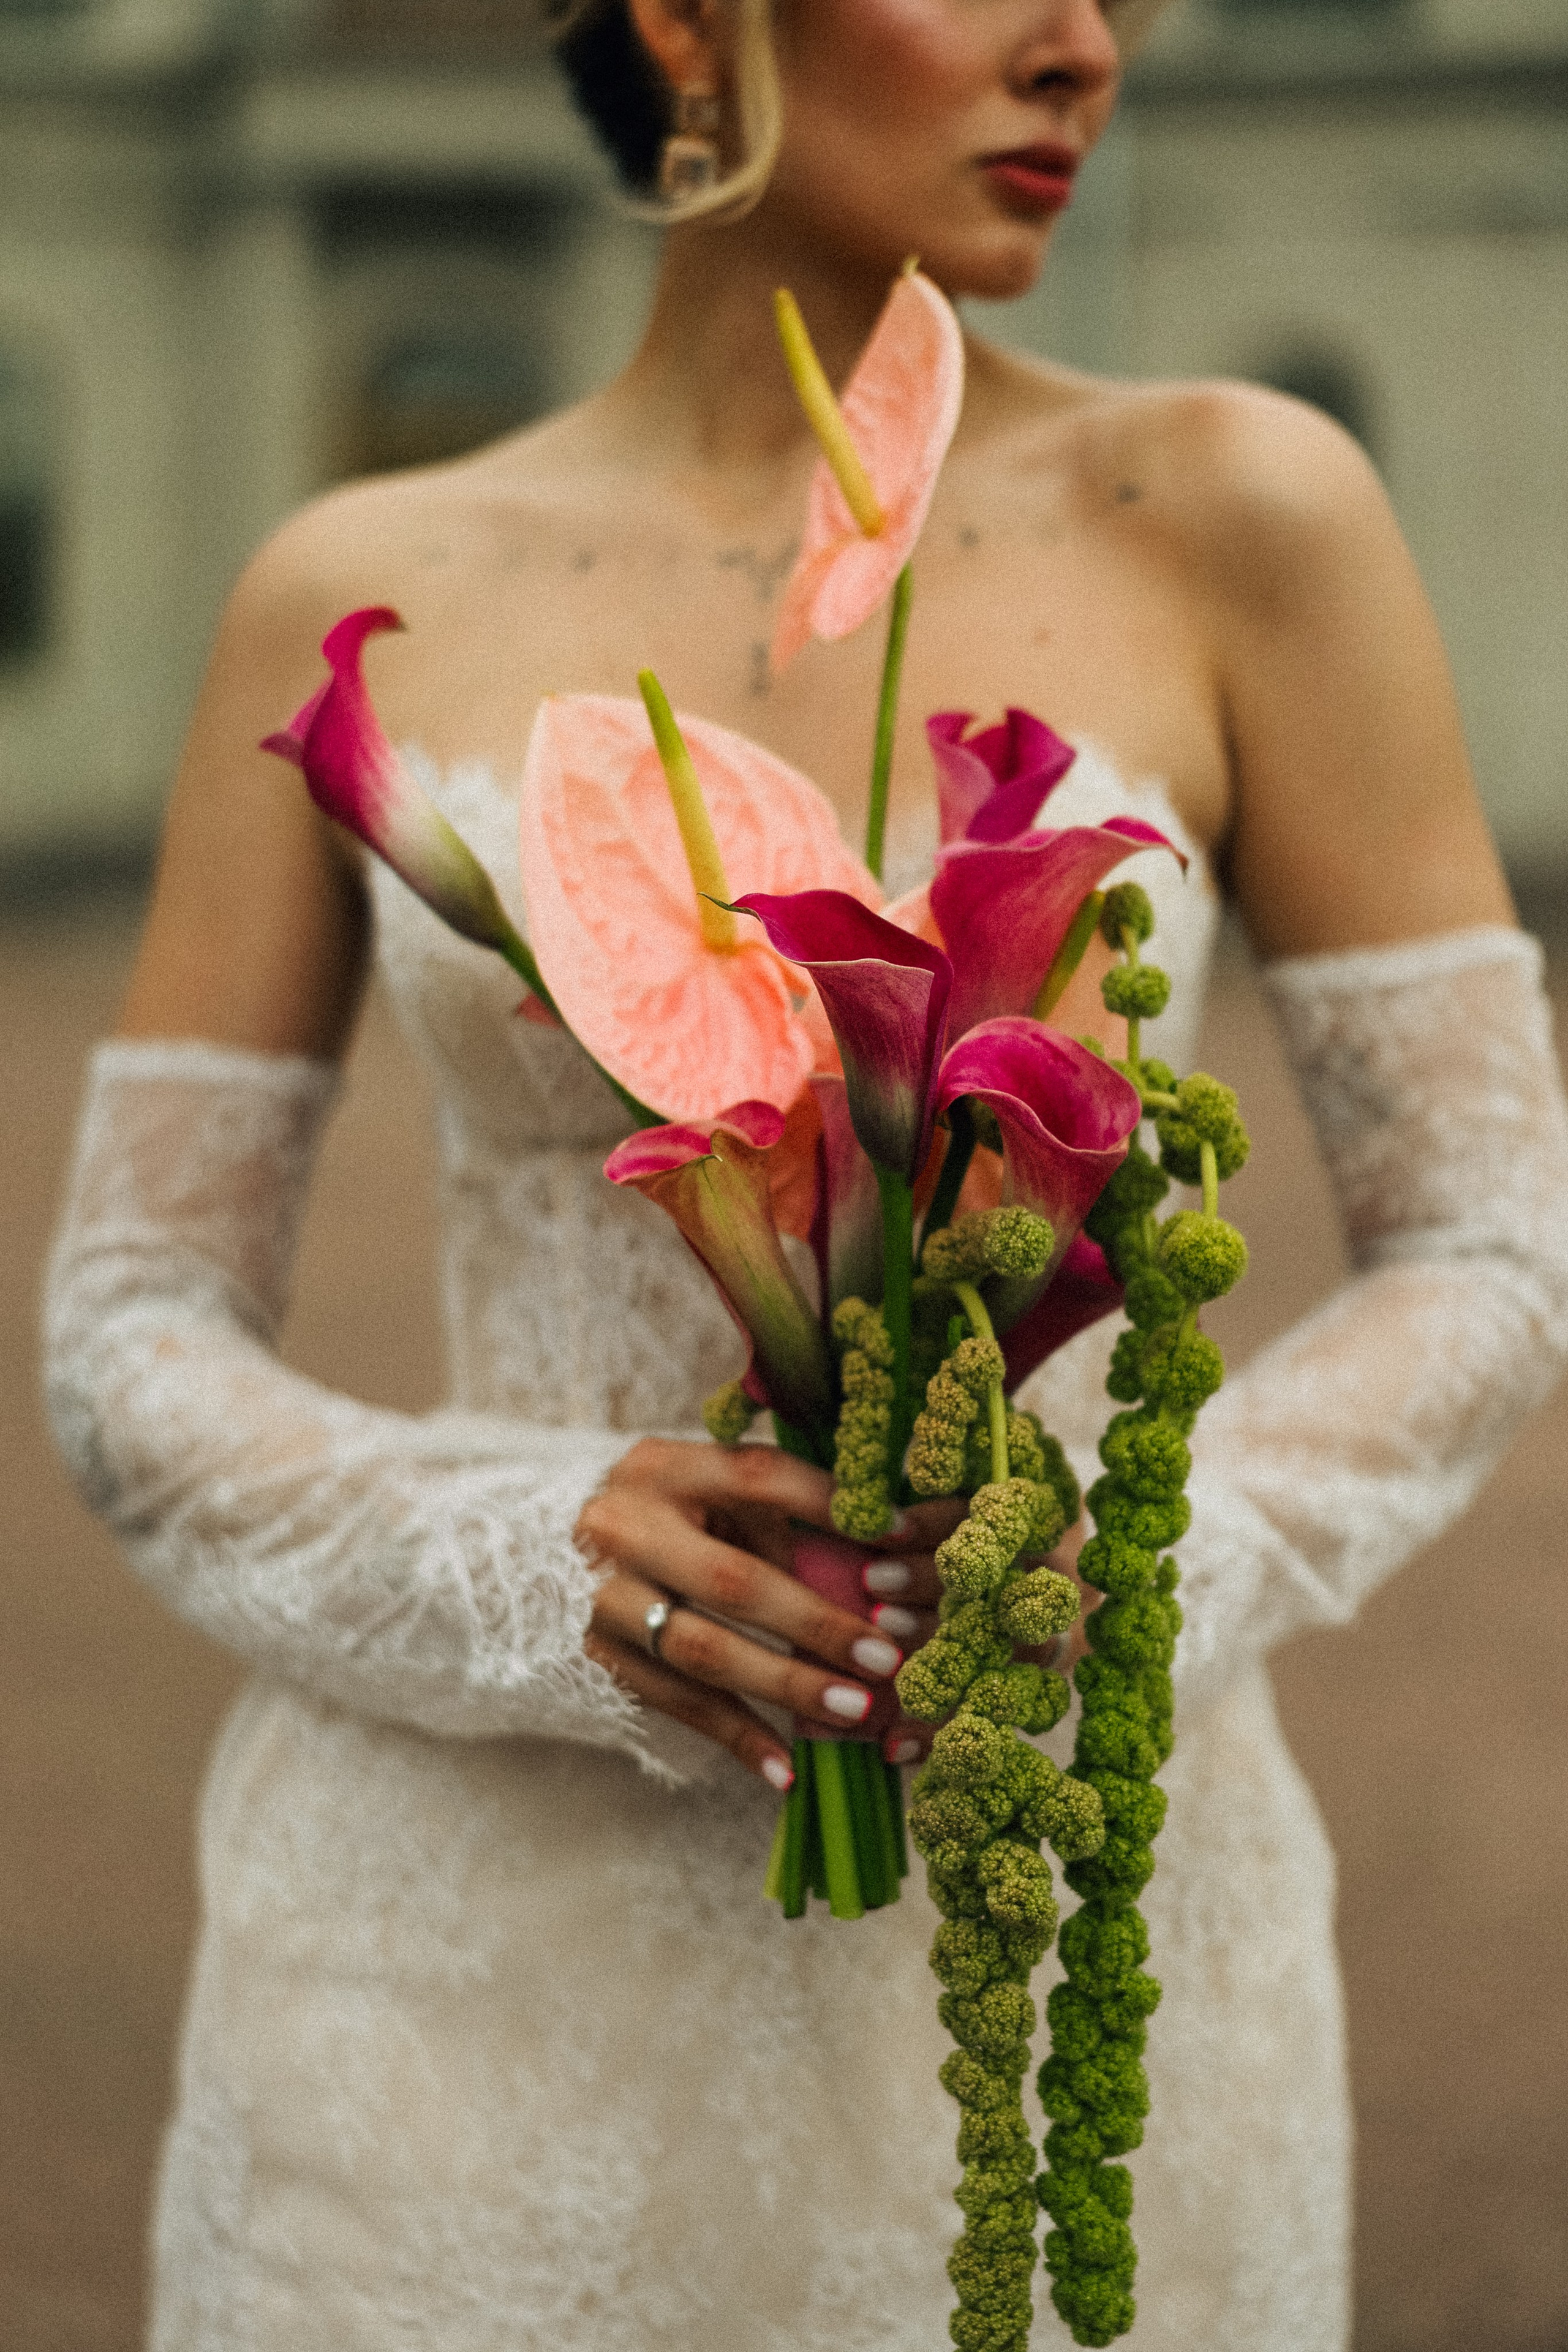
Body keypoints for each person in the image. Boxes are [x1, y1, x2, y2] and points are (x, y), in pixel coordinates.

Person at [41, 0, 1568, 2344]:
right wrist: (524, 1556)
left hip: (1046, 1946)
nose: (1089, 43)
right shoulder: (361, 570)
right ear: (683, 17)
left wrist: (1122, 1566)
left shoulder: (1249, 513)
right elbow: (127, 1332)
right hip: (450, 2016)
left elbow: (1491, 1240)